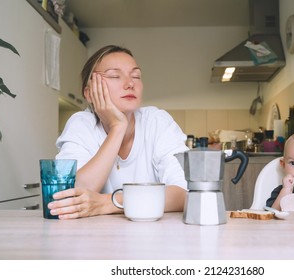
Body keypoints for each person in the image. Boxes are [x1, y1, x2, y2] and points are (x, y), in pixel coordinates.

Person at [49, 45, 189, 219]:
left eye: (136, 76)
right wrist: (118, 127)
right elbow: (71, 195)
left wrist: (108, 203)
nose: (130, 84)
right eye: (115, 75)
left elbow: (185, 192)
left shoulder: (157, 122)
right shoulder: (81, 125)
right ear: (89, 93)